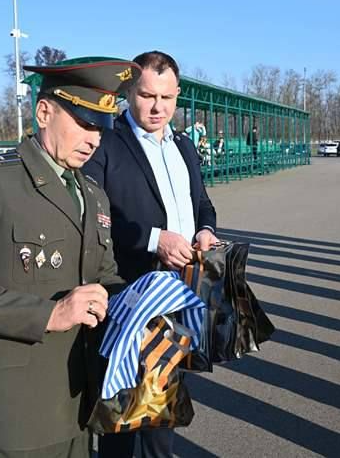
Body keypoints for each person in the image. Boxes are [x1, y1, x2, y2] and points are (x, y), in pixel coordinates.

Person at [0, 58, 139, 457]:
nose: (94, 139)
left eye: (102, 128)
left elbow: (102, 274)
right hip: (16, 408)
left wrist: (146, 305)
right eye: (85, 122)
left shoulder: (92, 192)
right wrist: (49, 315)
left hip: (79, 394)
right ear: (43, 112)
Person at [84, 50, 218, 458]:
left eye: (167, 97)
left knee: (162, 406)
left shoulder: (183, 146)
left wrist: (207, 230)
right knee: (122, 411)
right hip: (129, 294)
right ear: (129, 92)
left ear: (178, 95)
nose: (157, 107)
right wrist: (153, 238)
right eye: (146, 96)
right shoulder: (106, 144)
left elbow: (203, 203)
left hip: (177, 294)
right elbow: (91, 215)